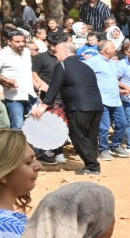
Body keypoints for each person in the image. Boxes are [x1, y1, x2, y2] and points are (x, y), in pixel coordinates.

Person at [29, 37, 104, 175]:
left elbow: (54, 87)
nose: (56, 55)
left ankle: (92, 166)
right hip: (96, 106)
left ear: (65, 52)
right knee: (91, 136)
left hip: (78, 107)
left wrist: (43, 105)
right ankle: (92, 161)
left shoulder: (62, 66)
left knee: (78, 136)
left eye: (57, 52)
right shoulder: (86, 66)